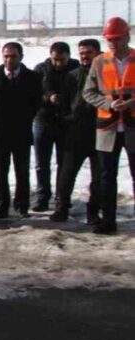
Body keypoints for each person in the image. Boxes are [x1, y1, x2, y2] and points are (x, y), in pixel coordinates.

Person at [81, 17, 135, 234]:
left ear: (127, 36)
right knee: (106, 177)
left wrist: (132, 103)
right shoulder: (99, 62)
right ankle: (108, 220)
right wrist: (109, 103)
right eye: (109, 39)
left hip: (132, 127)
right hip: (107, 128)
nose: (112, 43)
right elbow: (88, 92)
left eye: (116, 39)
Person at [0, 42, 43, 218]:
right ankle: (2, 205)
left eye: (13, 56)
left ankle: (22, 205)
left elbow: (36, 102)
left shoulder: (32, 78)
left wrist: (25, 116)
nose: (9, 60)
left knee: (22, 170)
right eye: (6, 56)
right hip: (0, 131)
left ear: (21, 57)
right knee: (1, 171)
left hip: (21, 130)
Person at [50, 39, 102, 224]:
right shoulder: (73, 75)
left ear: (97, 52)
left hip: (100, 130)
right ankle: (62, 208)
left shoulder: (106, 73)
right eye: (82, 53)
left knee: (99, 176)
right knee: (67, 172)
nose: (85, 56)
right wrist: (67, 119)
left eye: (88, 52)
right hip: (76, 130)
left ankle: (93, 212)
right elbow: (65, 103)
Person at [32, 42, 79, 212]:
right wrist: (48, 98)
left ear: (69, 56)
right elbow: (34, 93)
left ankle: (62, 197)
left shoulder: (75, 70)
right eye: (55, 59)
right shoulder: (41, 70)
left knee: (64, 163)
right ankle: (43, 198)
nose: (58, 63)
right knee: (41, 163)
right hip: (43, 120)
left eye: (62, 60)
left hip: (66, 122)